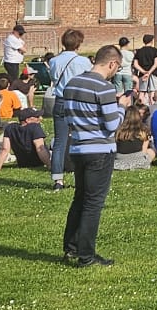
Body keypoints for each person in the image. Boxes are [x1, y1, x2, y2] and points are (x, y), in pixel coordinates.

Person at [60, 43, 124, 267]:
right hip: (100, 149)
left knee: (80, 198)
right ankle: (86, 255)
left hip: (78, 147)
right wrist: (122, 107)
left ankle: (71, 248)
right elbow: (112, 124)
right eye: (117, 68)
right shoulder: (104, 87)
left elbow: (67, 117)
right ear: (112, 63)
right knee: (93, 203)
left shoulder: (72, 83)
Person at [45, 31, 93, 192]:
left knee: (60, 142)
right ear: (78, 44)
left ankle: (57, 179)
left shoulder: (54, 61)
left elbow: (53, 78)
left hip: (61, 100)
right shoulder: (84, 61)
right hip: (79, 101)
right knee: (82, 139)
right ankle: (83, 175)